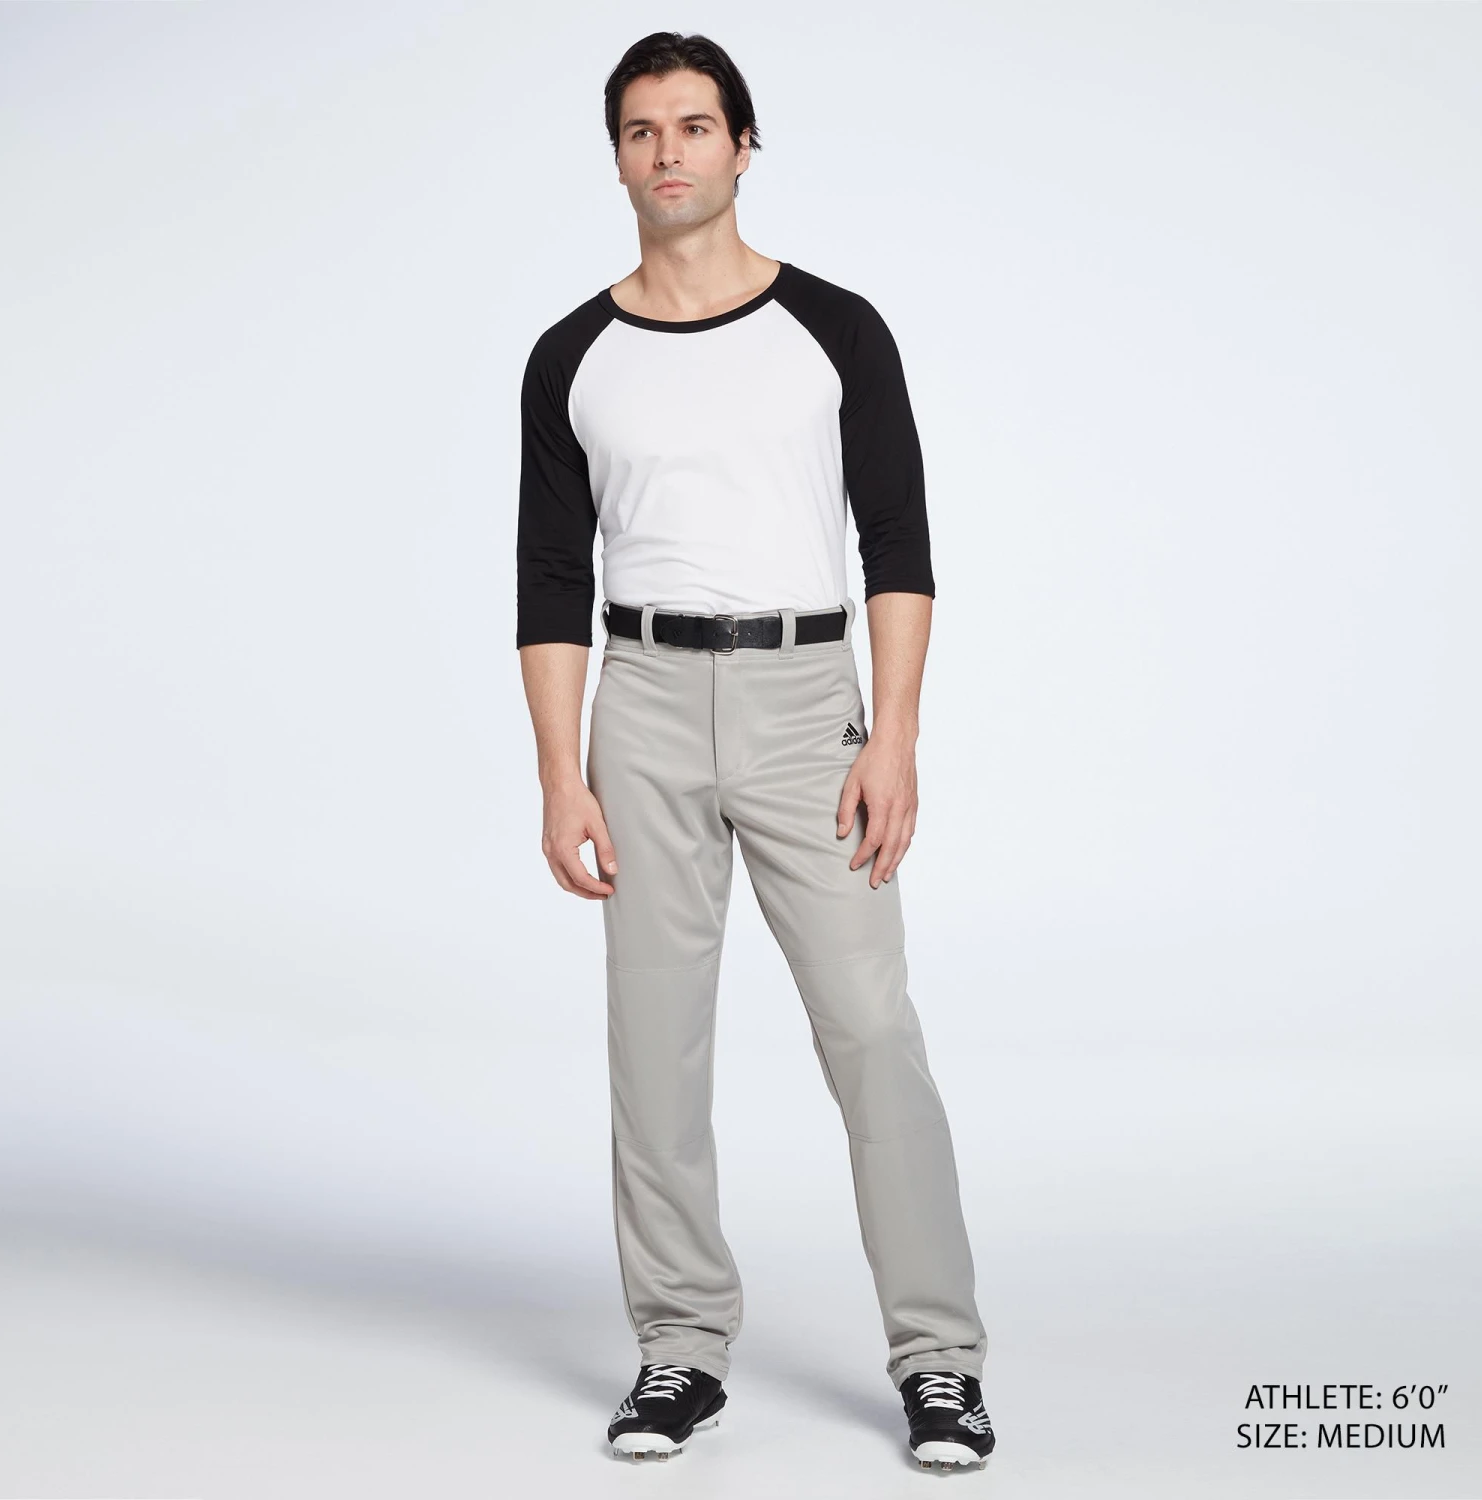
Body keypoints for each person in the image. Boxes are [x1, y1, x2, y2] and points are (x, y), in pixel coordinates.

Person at [514, 30, 994, 1473]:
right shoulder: (572, 357)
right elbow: (550, 578)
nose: (668, 151)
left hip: (804, 703)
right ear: (617, 158)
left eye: (694, 124)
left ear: (743, 145)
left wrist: (893, 737)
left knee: (870, 1027)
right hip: (643, 702)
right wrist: (560, 772)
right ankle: (678, 1346)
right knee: (653, 1043)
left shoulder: (836, 329)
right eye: (642, 129)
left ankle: (940, 1360)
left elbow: (899, 542)